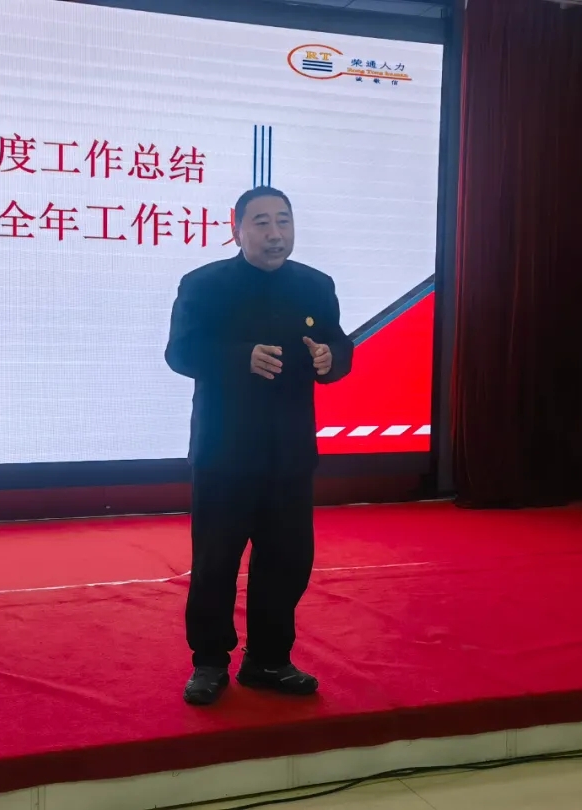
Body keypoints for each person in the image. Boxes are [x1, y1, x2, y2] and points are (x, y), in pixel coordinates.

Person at [164, 186, 354, 706]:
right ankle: (209, 661)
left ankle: (268, 659)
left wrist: (330, 360)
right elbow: (180, 352)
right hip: (224, 451)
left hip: (289, 453)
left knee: (287, 561)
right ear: (237, 230)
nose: (275, 234)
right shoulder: (205, 284)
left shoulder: (316, 285)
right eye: (262, 222)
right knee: (216, 562)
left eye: (283, 221)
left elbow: (340, 344)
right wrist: (239, 358)